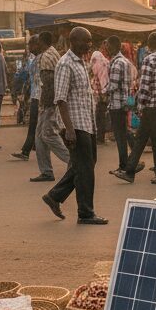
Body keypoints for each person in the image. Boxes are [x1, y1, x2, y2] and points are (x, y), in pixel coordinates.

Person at [40, 27, 107, 225]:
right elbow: (60, 99)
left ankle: (54, 196)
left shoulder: (80, 62)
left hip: (86, 123)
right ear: (75, 41)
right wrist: (69, 130)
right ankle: (85, 213)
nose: (89, 44)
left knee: (84, 165)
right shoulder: (65, 64)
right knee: (85, 169)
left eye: (90, 41)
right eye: (86, 41)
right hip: (75, 125)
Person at [114, 32, 156, 185]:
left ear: (149, 45)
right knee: (148, 139)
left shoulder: (148, 60)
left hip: (151, 106)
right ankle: (133, 171)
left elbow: (144, 86)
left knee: (153, 140)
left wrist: (140, 105)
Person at [31, 31, 69, 182]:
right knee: (40, 137)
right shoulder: (53, 52)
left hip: (49, 102)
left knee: (48, 135)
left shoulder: (46, 56)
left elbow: (48, 82)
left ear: (41, 42)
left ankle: (74, 162)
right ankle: (46, 171)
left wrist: (47, 104)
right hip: (51, 100)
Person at [104, 36, 135, 172]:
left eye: (108, 46)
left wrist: (102, 91)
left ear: (113, 46)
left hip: (116, 104)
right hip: (124, 102)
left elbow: (113, 85)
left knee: (120, 136)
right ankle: (132, 160)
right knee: (124, 132)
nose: (106, 48)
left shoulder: (117, 63)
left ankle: (124, 165)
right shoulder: (125, 61)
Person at [12, 36, 42, 162]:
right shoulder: (35, 59)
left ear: (36, 44)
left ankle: (28, 150)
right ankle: (28, 149)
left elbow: (34, 79)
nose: (29, 48)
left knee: (38, 126)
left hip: (38, 96)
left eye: (30, 45)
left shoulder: (39, 59)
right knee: (34, 125)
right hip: (35, 95)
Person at [89, 38, 111, 144]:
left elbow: (104, 81)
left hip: (102, 94)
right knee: (99, 115)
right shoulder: (101, 61)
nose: (93, 62)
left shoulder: (102, 64)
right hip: (99, 93)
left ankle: (100, 138)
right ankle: (99, 136)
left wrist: (102, 92)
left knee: (100, 115)